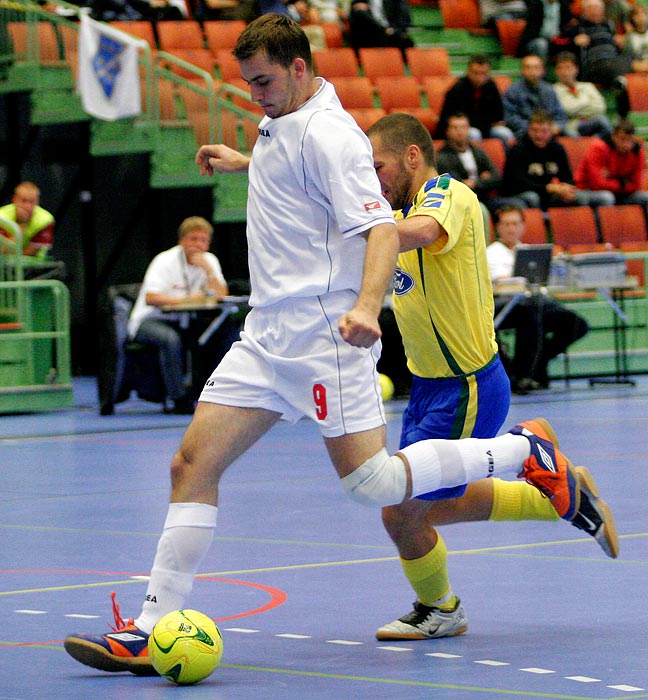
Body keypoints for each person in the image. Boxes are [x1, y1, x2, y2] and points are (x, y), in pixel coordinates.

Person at [63, 15, 616, 674]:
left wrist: (364, 308)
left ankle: (523, 451)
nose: (256, 95)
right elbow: (295, 178)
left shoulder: (334, 135)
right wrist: (248, 160)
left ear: (299, 68)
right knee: (190, 465)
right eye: (249, 84)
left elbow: (380, 231)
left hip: (323, 337)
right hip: (265, 336)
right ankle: (150, 629)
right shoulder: (282, 120)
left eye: (264, 81)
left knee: (373, 486)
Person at [364, 113, 614, 641]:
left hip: (466, 386)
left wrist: (361, 225)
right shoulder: (396, 210)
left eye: (379, 166)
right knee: (433, 505)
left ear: (412, 156)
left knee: (402, 513)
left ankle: (443, 607)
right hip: (427, 388)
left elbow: (423, 232)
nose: (374, 178)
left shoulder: (448, 195)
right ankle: (555, 489)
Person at [127, 216, 239, 415]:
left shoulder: (209, 261)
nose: (198, 245)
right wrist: (186, 301)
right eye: (193, 239)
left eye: (203, 240)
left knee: (224, 334)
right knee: (170, 339)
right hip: (150, 320)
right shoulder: (164, 260)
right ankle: (179, 399)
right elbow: (151, 297)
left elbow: (221, 294)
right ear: (182, 240)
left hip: (185, 320)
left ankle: (214, 394)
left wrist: (209, 270)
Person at [487, 204, 589, 393]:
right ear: (498, 227)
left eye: (515, 224)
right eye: (507, 224)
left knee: (575, 324)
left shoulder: (529, 252)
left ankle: (539, 362)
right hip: (507, 305)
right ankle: (522, 374)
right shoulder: (492, 253)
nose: (511, 228)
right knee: (530, 315)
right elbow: (501, 283)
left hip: (536, 301)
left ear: (523, 226)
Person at [500, 109, 604, 209]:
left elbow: (567, 176)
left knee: (584, 198)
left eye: (544, 131)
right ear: (528, 130)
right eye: (534, 130)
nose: (539, 135)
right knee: (533, 197)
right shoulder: (518, 150)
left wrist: (566, 189)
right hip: (521, 195)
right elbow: (517, 183)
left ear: (551, 131)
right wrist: (548, 188)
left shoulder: (557, 148)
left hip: (551, 194)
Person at [561, 0, 648, 91]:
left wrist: (619, 42)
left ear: (602, 11)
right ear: (584, 11)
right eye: (590, 9)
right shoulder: (577, 28)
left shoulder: (609, 25)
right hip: (595, 64)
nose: (594, 12)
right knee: (634, 65)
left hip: (614, 61)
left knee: (627, 58)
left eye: (597, 9)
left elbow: (616, 46)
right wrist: (573, 41)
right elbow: (556, 45)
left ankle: (622, 83)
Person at [435, 112, 502, 220]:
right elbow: (457, 184)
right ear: (447, 131)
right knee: (481, 210)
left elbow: (496, 177)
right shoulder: (442, 157)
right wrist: (482, 179)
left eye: (463, 127)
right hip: (459, 202)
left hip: (485, 198)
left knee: (511, 208)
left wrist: (475, 183)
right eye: (455, 128)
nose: (460, 131)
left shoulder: (478, 152)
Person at [436, 54, 514, 144]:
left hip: (486, 128)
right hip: (464, 128)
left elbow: (498, 115)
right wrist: (486, 122)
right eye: (476, 73)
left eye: (484, 73)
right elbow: (457, 117)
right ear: (468, 72)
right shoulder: (458, 88)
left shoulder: (492, 87)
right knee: (474, 134)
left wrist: (485, 122)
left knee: (504, 133)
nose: (480, 77)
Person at [575, 118, 648, 208]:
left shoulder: (638, 151)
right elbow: (597, 184)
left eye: (630, 140)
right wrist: (623, 183)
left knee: (645, 197)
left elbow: (636, 185)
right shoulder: (598, 148)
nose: (626, 145)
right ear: (613, 136)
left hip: (620, 193)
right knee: (607, 197)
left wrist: (610, 182)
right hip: (587, 190)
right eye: (622, 139)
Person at [502, 54, 568, 141]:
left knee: (571, 134)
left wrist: (557, 126)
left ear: (543, 71)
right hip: (523, 132)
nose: (532, 71)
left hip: (549, 131)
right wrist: (535, 129)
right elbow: (510, 117)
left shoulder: (549, 90)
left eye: (536, 68)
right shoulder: (512, 91)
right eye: (528, 67)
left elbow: (560, 114)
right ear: (522, 70)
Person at [553, 51, 612, 139]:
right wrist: (587, 102)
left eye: (568, 68)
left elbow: (601, 107)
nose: (564, 72)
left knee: (603, 121)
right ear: (556, 71)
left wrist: (576, 110)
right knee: (571, 134)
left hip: (591, 122)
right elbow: (567, 109)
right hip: (570, 126)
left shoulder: (588, 86)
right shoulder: (553, 90)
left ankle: (594, 145)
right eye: (560, 68)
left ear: (576, 69)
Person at [0, 181, 54, 259]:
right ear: (14, 199)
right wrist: (20, 225)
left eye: (32, 202)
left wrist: (24, 224)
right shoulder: (1, 216)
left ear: (37, 202)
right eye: (23, 201)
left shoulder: (46, 220)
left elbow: (30, 253)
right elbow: (3, 250)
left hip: (34, 266)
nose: (27, 206)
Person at [348, 0, 414, 53]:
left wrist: (394, 29)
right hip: (370, 34)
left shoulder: (396, 2)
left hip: (391, 33)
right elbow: (354, 22)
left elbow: (404, 18)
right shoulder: (359, 2)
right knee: (360, 13)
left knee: (405, 41)